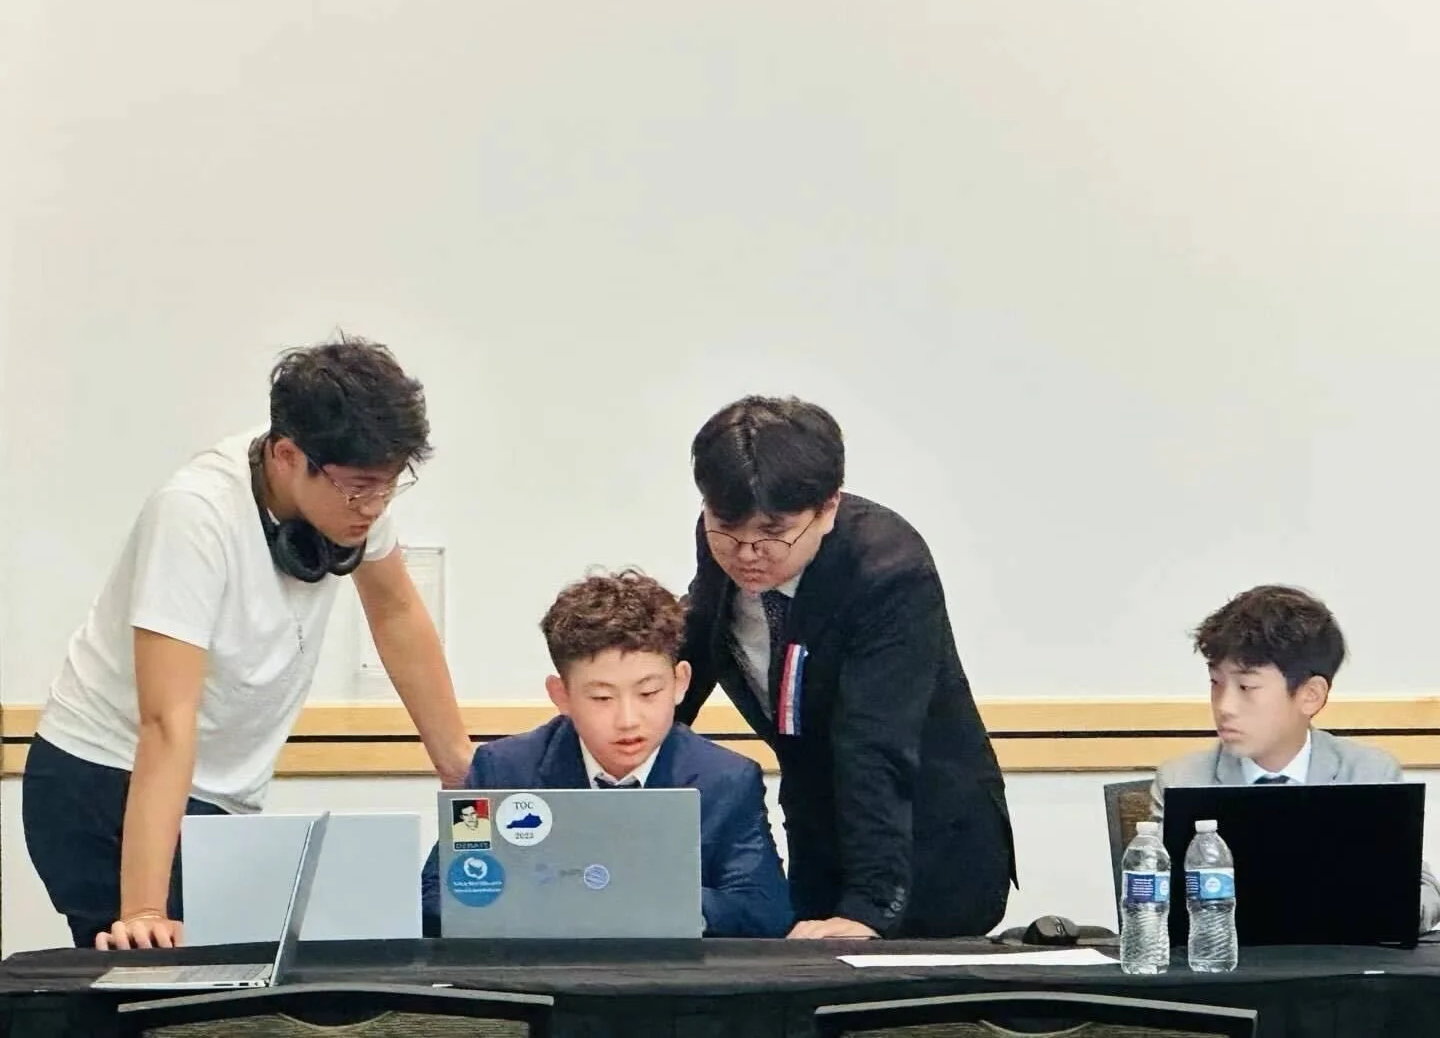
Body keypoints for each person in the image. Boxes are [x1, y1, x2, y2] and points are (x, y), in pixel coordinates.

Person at [23, 335, 473, 951]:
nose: (374, 506)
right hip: (105, 780)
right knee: (156, 976)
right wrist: (144, 909)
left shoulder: (349, 495)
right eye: (360, 488)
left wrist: (461, 769)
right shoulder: (195, 514)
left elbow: (395, 613)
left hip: (214, 792)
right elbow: (165, 721)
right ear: (287, 455)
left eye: (390, 485)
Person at [674, 395, 1016, 939]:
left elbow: (874, 744)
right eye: (726, 527)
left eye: (773, 532)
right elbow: (695, 639)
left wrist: (868, 908)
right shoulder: (724, 539)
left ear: (828, 506)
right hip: (817, 823)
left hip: (924, 836)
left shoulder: (888, 569)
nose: (747, 552)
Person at [420, 569, 793, 937]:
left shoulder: (726, 779)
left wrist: (652, 901)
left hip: (669, 972)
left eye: (648, 693)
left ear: (680, 683)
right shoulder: (501, 770)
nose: (628, 720)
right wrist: (559, 901)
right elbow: (436, 899)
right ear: (561, 696)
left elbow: (764, 908)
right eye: (601, 698)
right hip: (545, 971)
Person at [1151, 584, 1440, 932]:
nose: (1224, 706)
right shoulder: (1182, 780)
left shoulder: (1367, 772)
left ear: (1310, 696)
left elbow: (1420, 891)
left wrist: (1393, 912)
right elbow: (1154, 903)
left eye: (1246, 687)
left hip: (1341, 958)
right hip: (1224, 960)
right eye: (1216, 683)